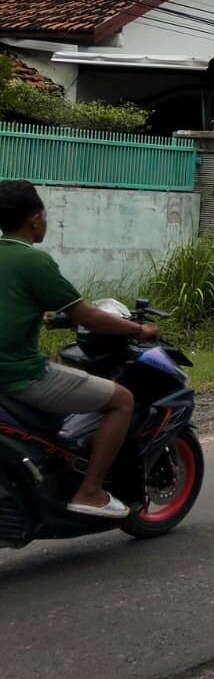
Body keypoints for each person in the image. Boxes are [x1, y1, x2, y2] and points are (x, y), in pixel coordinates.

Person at [0, 180, 158, 519]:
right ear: (35, 219)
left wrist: (36, 313)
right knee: (122, 400)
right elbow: (85, 315)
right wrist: (139, 329)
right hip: (20, 375)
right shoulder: (34, 261)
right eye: (45, 215)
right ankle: (90, 492)